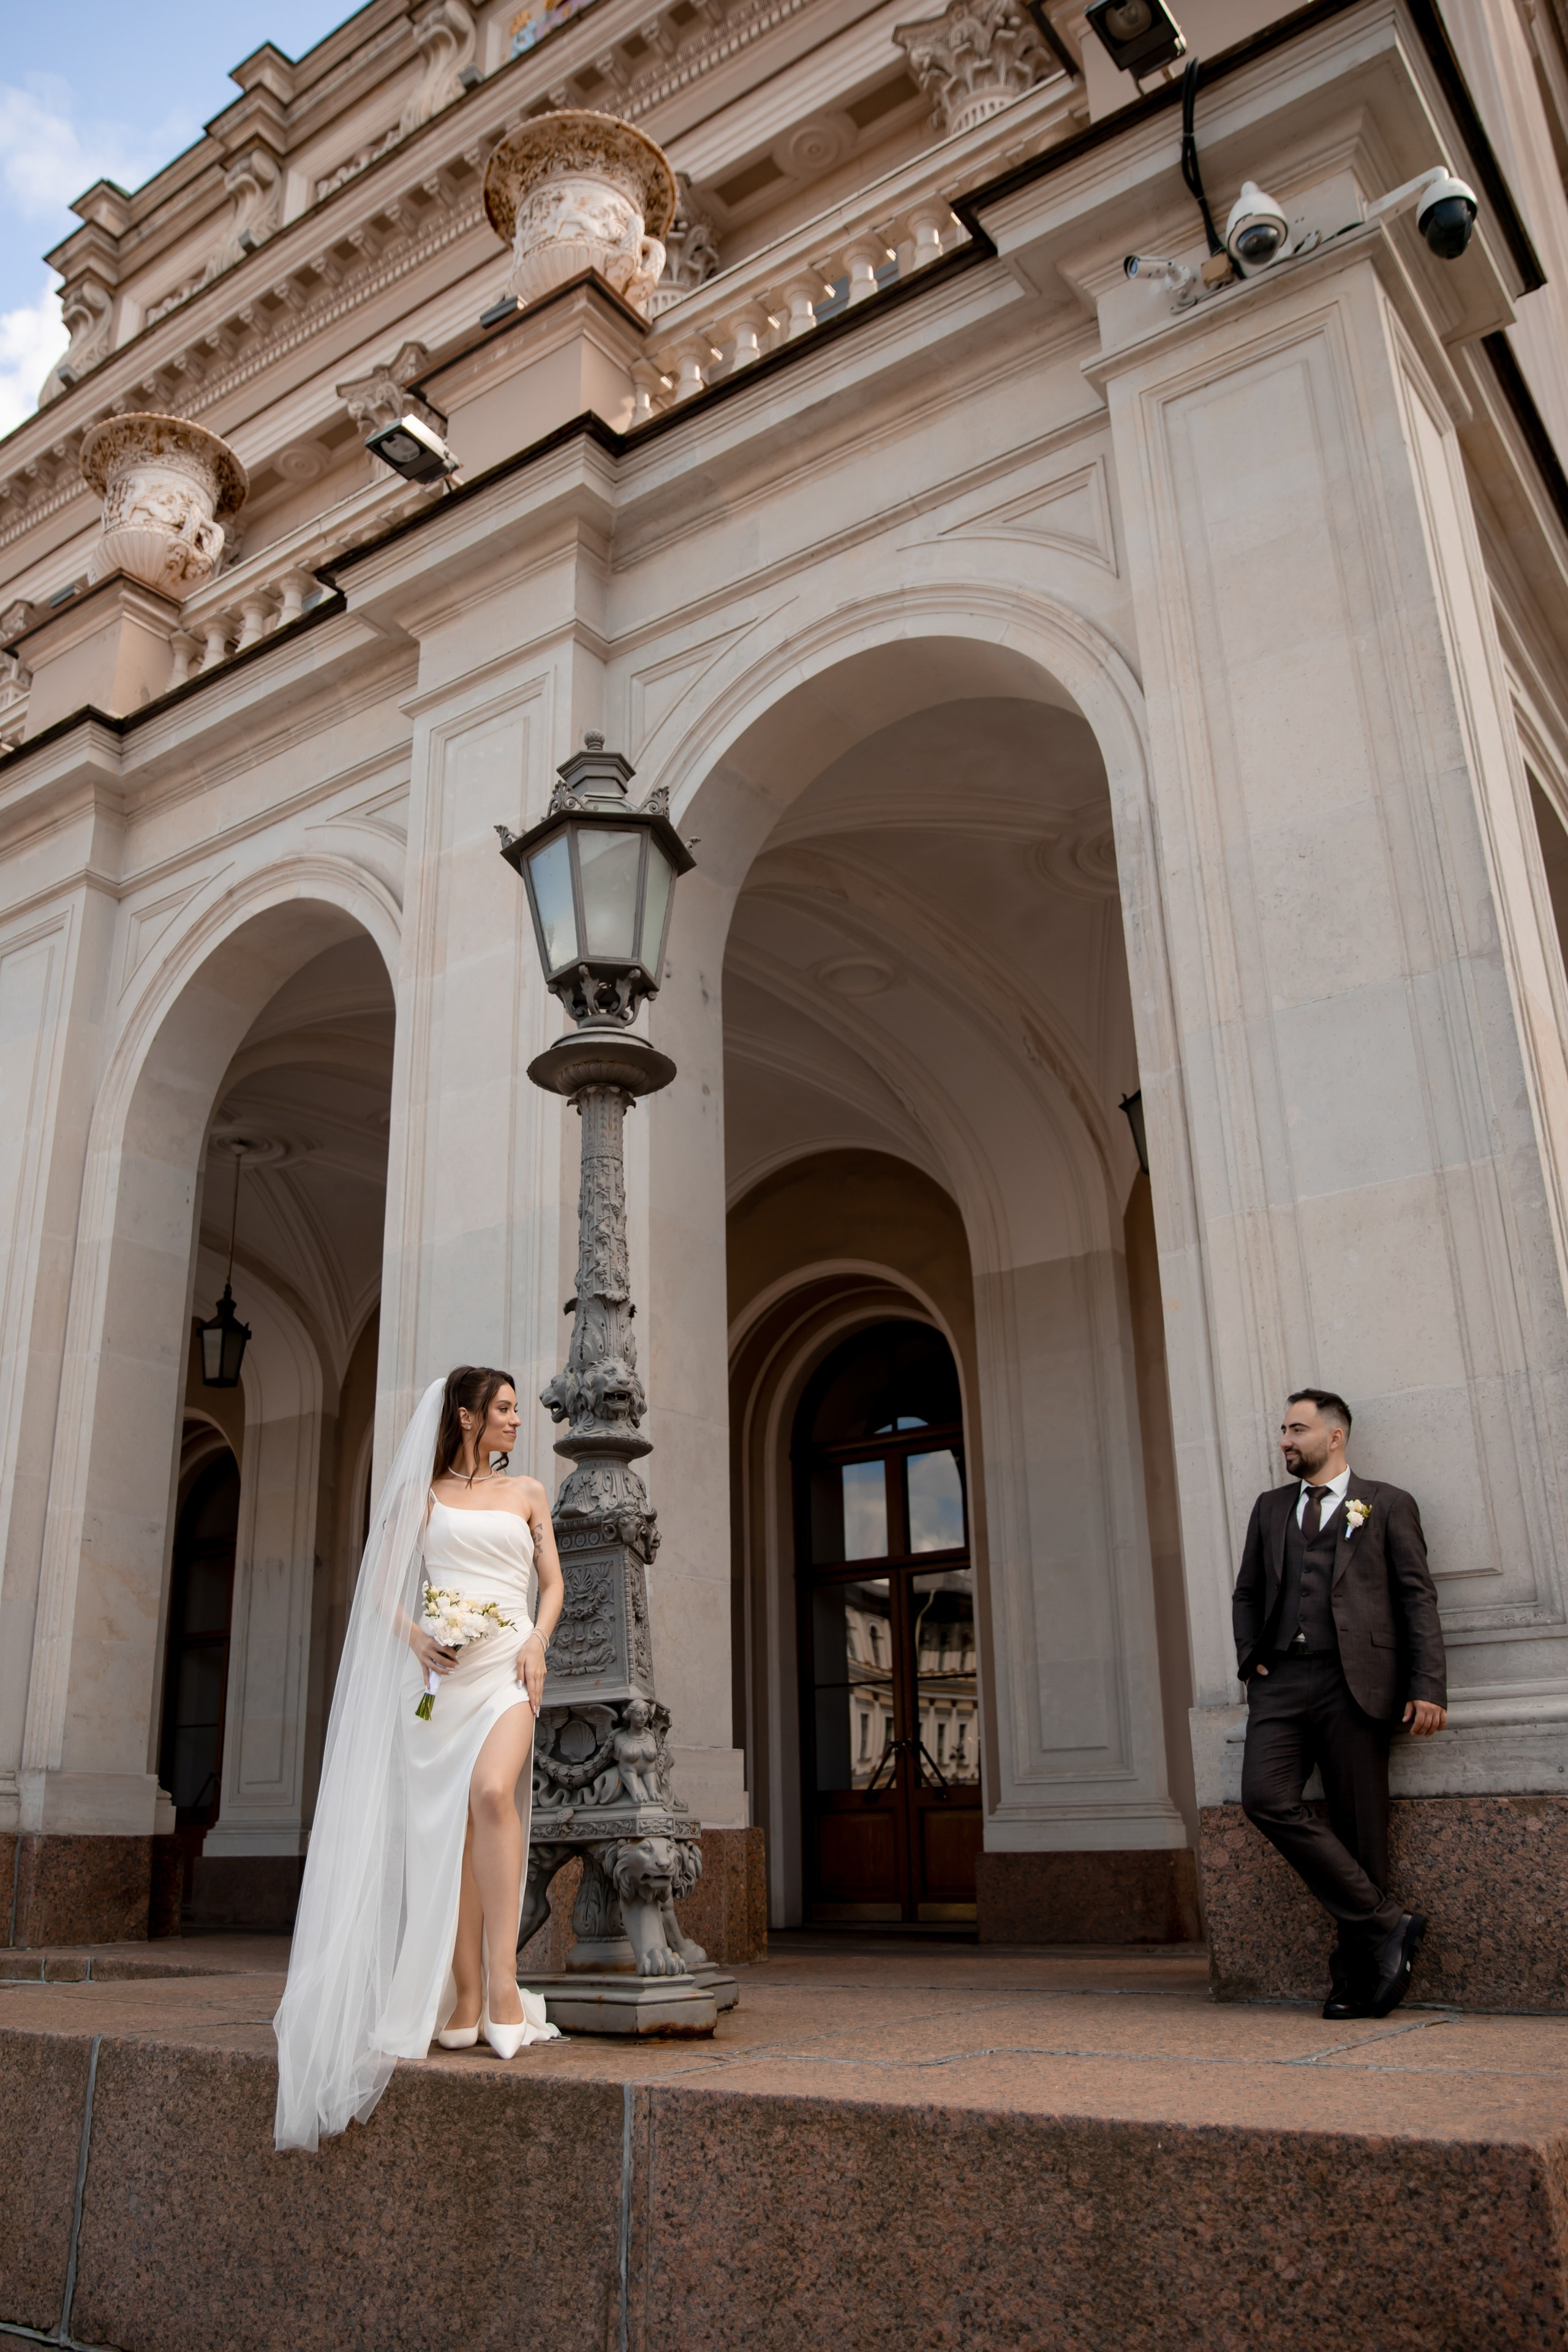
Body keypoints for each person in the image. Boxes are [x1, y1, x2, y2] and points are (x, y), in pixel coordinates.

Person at [274, 1366, 565, 2151]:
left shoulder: (531, 1493)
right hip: (440, 1681)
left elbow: (553, 1585)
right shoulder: (421, 1498)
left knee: (492, 1795)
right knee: (450, 1832)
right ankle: (464, 1997)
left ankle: (503, 1985)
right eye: (503, 1409)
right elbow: (379, 1584)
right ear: (467, 1418)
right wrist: (416, 1639)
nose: (514, 1420)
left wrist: (537, 1642)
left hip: (508, 1668)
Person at [1232, 1389, 1447, 2021]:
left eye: (1296, 1429)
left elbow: (1417, 1598)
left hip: (1358, 1681)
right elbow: (1247, 1590)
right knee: (1264, 1798)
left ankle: (1359, 1975)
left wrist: (1427, 1685)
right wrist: (1251, 1658)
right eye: (1282, 1429)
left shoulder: (1386, 1503)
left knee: (1360, 1832)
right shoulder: (1270, 1509)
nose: (1284, 1441)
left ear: (1335, 1436)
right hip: (1281, 1682)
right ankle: (1388, 1924)